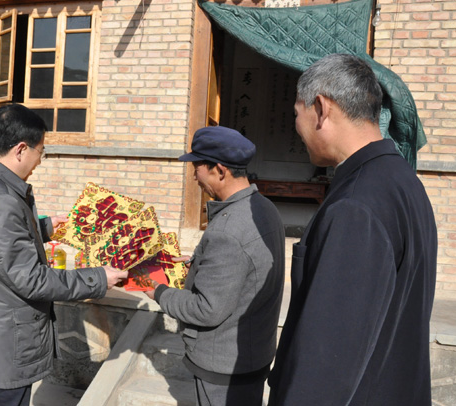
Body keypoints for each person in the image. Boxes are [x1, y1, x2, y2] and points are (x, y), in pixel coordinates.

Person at [268, 54, 437, 405]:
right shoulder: (403, 181)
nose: (297, 127)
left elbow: (326, 364)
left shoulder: (356, 206)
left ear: (320, 108)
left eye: (296, 114)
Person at [0, 104, 128, 406]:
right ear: (21, 149)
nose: (39, 162)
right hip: (4, 343)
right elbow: (31, 279)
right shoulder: (0, 200)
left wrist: (44, 228)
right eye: (40, 152)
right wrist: (98, 278)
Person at [146, 126, 286, 406]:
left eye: (197, 168)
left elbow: (206, 309)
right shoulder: (264, 208)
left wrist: (158, 292)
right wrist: (198, 263)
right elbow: (248, 270)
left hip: (223, 367)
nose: (194, 177)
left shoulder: (228, 230)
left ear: (220, 171)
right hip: (251, 353)